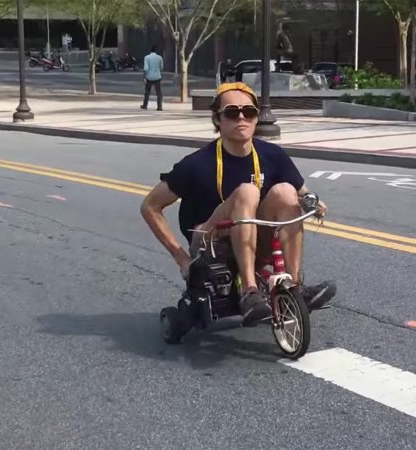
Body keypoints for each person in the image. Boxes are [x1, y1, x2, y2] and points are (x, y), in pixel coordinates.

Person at [140, 82, 335, 325]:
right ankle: (250, 292)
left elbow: (302, 193)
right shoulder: (195, 164)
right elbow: (150, 206)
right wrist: (180, 257)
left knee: (286, 191)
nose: (241, 118)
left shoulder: (272, 155)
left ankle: (294, 287)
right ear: (217, 120)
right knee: (247, 192)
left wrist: (312, 203)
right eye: (232, 112)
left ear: (256, 118)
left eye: (249, 112)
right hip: (211, 242)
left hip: (253, 237)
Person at [141, 45, 163, 111]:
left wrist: (144, 77)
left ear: (150, 51)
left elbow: (146, 68)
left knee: (147, 92)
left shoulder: (147, 57)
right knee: (158, 92)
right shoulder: (160, 58)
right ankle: (159, 106)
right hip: (157, 76)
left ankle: (145, 105)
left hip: (149, 77)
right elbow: (161, 68)